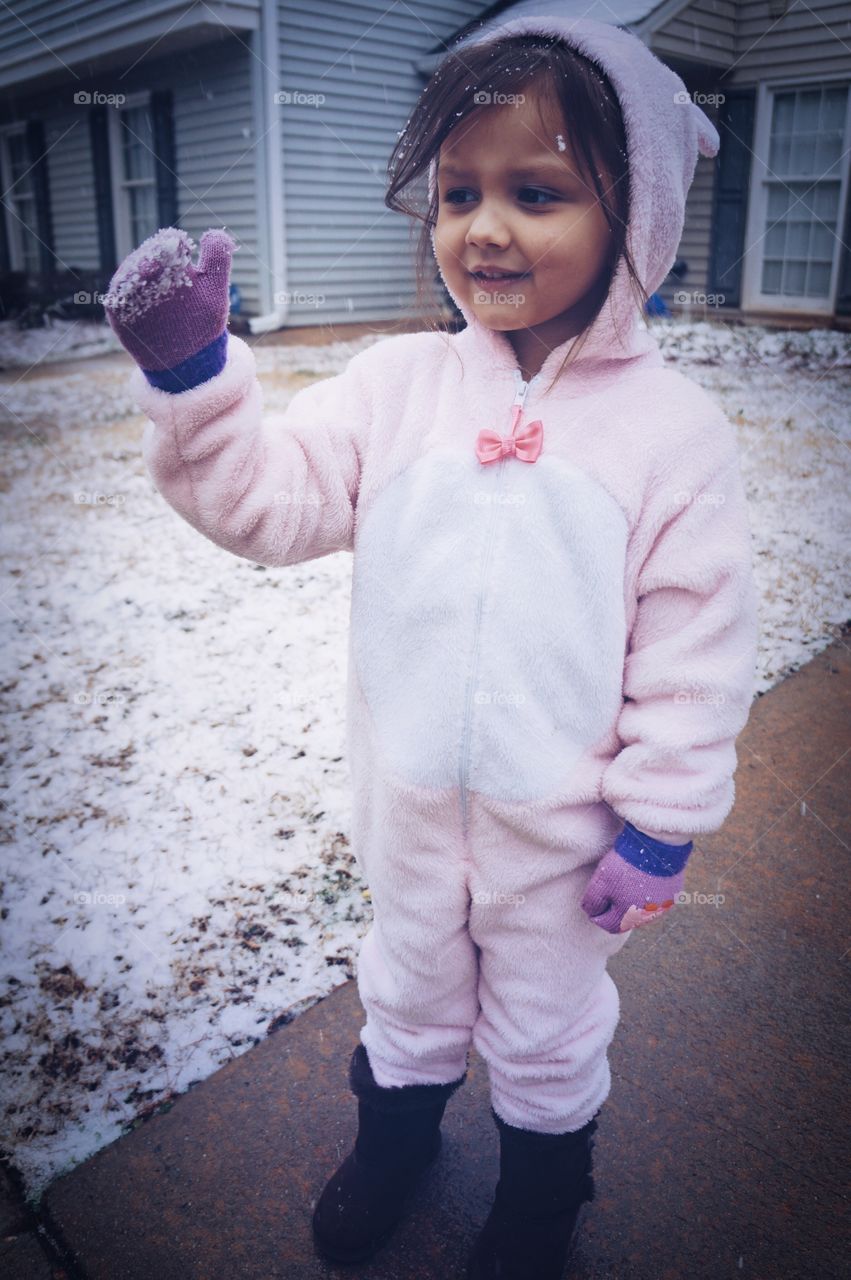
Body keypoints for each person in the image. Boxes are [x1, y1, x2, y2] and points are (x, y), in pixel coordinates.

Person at [103, 14, 759, 1280]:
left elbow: (695, 648)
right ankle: (393, 1139)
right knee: (404, 994)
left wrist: (659, 820)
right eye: (459, 192)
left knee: (546, 1027)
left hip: (564, 841)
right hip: (406, 810)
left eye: (535, 192)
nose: (483, 228)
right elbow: (269, 502)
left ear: (635, 217)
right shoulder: (395, 389)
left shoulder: (671, 437)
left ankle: (540, 1195)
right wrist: (195, 383)